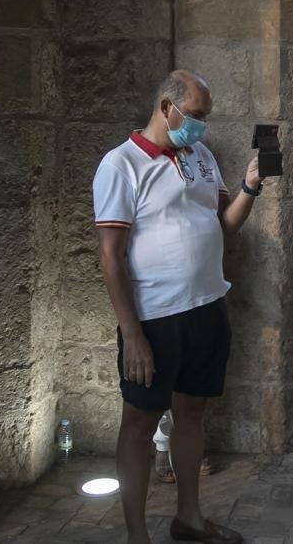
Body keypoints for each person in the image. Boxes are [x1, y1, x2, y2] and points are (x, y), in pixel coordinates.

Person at [94, 70, 266, 544]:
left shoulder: (201, 155)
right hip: (155, 319)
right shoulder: (121, 164)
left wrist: (249, 186)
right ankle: (136, 534)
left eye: (205, 117)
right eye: (194, 115)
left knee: (192, 414)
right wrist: (131, 334)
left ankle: (188, 517)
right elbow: (110, 255)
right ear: (166, 107)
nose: (201, 126)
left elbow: (226, 225)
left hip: (208, 307)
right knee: (139, 423)